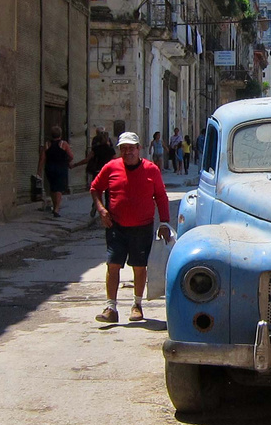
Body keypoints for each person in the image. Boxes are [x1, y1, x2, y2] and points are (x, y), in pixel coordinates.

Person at [90, 132, 172, 324]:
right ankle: (111, 307)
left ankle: (137, 305)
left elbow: (161, 196)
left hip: (142, 227)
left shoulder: (151, 170)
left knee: (139, 266)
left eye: (131, 148)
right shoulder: (111, 167)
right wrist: (101, 209)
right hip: (115, 226)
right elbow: (95, 188)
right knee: (113, 265)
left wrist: (164, 222)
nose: (128, 152)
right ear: (120, 150)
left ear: (139, 149)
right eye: (124, 149)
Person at [38, 125, 73, 217]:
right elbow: (71, 156)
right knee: (59, 188)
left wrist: (39, 171)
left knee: (53, 187)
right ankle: (57, 209)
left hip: (49, 168)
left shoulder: (47, 144)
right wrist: (67, 161)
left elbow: (42, 158)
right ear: (60, 134)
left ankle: (55, 206)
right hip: (60, 167)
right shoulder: (64, 144)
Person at [85, 128, 115, 225]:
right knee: (108, 193)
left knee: (97, 190)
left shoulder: (96, 149)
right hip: (109, 173)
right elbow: (115, 161)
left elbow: (88, 158)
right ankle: (107, 211)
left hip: (98, 171)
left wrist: (76, 164)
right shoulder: (111, 150)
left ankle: (96, 205)